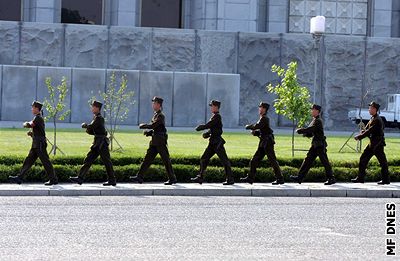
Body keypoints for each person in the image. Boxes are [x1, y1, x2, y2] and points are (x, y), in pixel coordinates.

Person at [130, 96, 177, 185]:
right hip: (155, 142)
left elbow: (154, 125)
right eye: (153, 103)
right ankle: (139, 177)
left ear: (159, 105)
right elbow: (157, 128)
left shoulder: (161, 116)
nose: (153, 105)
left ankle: (172, 178)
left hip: (160, 142)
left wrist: (144, 126)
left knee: (166, 160)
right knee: (147, 159)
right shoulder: (156, 115)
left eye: (155, 103)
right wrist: (150, 133)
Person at [9, 101, 58, 185]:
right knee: (28, 161)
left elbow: (30, 124)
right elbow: (39, 131)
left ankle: (53, 179)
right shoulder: (38, 117)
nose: (32, 109)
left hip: (39, 145)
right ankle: (19, 178)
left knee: (46, 162)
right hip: (36, 144)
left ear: (36, 108)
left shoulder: (38, 118)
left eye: (33, 107)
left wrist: (25, 124)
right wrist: (32, 134)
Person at [70, 101, 116, 186]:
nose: (92, 109)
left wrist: (85, 125)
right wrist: (88, 128)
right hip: (97, 143)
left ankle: (112, 180)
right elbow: (93, 130)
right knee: (88, 159)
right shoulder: (96, 118)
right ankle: (80, 178)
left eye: (93, 107)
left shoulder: (99, 118)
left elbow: (92, 127)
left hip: (102, 143)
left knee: (107, 162)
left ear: (97, 108)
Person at [290, 104, 336, 185]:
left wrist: (302, 131)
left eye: (313, 109)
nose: (311, 111)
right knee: (307, 160)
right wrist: (306, 134)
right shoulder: (315, 120)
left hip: (320, 145)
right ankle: (299, 177)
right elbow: (312, 132)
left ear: (317, 111)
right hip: (315, 145)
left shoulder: (318, 120)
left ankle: (331, 178)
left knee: (325, 162)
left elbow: (311, 129)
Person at [191, 100, 234, 185]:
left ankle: (230, 179)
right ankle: (200, 177)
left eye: (212, 106)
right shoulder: (214, 116)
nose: (211, 107)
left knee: (224, 161)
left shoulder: (217, 116)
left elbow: (210, 125)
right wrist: (207, 134)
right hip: (213, 143)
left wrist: (201, 127)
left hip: (217, 143)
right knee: (204, 158)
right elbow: (213, 128)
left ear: (216, 107)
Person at [241, 102, 284, 185]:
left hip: (267, 143)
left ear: (265, 109)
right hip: (263, 142)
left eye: (261, 108)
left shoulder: (264, 118)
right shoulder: (262, 118)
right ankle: (250, 178)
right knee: (254, 160)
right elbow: (262, 130)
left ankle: (280, 179)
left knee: (272, 160)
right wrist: (256, 133)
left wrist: (250, 126)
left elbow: (258, 126)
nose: (260, 109)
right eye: (259, 107)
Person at [352, 101, 390, 185]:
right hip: (372, 144)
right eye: (369, 108)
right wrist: (363, 131)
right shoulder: (373, 118)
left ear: (375, 109)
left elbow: (369, 131)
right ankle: (360, 178)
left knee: (383, 162)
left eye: (371, 108)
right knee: (363, 159)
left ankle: (386, 180)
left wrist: (359, 137)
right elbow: (367, 129)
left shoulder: (377, 120)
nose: (369, 109)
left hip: (377, 145)